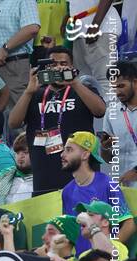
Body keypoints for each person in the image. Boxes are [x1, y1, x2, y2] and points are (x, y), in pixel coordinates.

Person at [8, 46, 107, 195]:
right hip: (44, 176)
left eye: (63, 63)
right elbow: (13, 123)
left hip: (80, 175)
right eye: (53, 64)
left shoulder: (82, 89)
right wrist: (28, 91)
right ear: (45, 68)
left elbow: (100, 111)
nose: (58, 67)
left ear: (72, 67)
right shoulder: (35, 94)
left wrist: (74, 83)